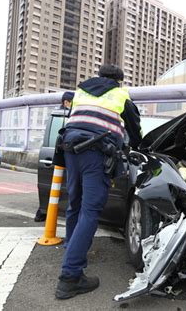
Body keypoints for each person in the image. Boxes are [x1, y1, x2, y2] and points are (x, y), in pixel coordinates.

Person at [55, 64, 142, 300]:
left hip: (71, 148)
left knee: (76, 202)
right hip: (96, 151)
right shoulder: (120, 94)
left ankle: (71, 248)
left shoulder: (80, 91)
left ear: (100, 76)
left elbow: (79, 117)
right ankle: (70, 277)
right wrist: (140, 147)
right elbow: (134, 129)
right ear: (119, 81)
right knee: (90, 210)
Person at [33, 90, 75, 222]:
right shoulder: (63, 116)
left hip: (61, 156)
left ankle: (43, 210)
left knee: (55, 187)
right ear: (66, 102)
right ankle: (44, 210)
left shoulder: (65, 116)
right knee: (59, 187)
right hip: (62, 156)